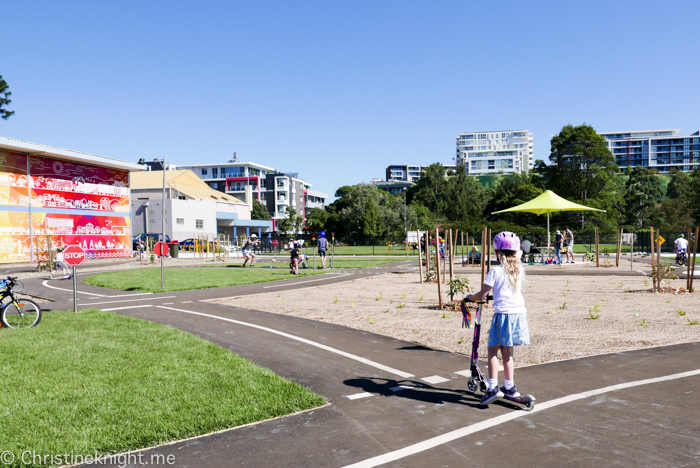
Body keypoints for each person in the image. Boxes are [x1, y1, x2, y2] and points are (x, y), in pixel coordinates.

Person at [466, 231, 529, 405]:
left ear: (497, 252)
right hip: (519, 314)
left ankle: (493, 387)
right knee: (507, 352)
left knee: (493, 349)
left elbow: (482, 295)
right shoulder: (519, 270)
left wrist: (469, 297)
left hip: (503, 314)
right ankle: (509, 386)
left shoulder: (495, 271)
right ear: (516, 252)